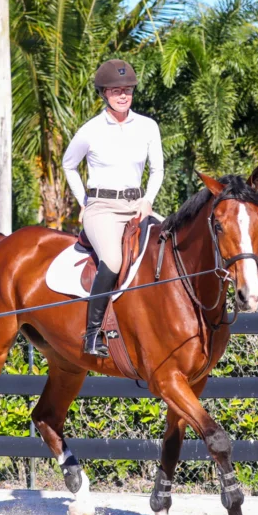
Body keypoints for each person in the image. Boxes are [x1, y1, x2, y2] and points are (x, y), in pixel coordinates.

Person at [62, 58, 164, 357]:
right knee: (113, 259)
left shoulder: (148, 126)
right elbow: (69, 165)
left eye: (128, 90)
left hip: (137, 205)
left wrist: (148, 200)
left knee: (170, 245)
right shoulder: (90, 130)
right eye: (116, 90)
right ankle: (92, 335)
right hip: (102, 207)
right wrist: (84, 201)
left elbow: (157, 170)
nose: (123, 95)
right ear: (104, 93)